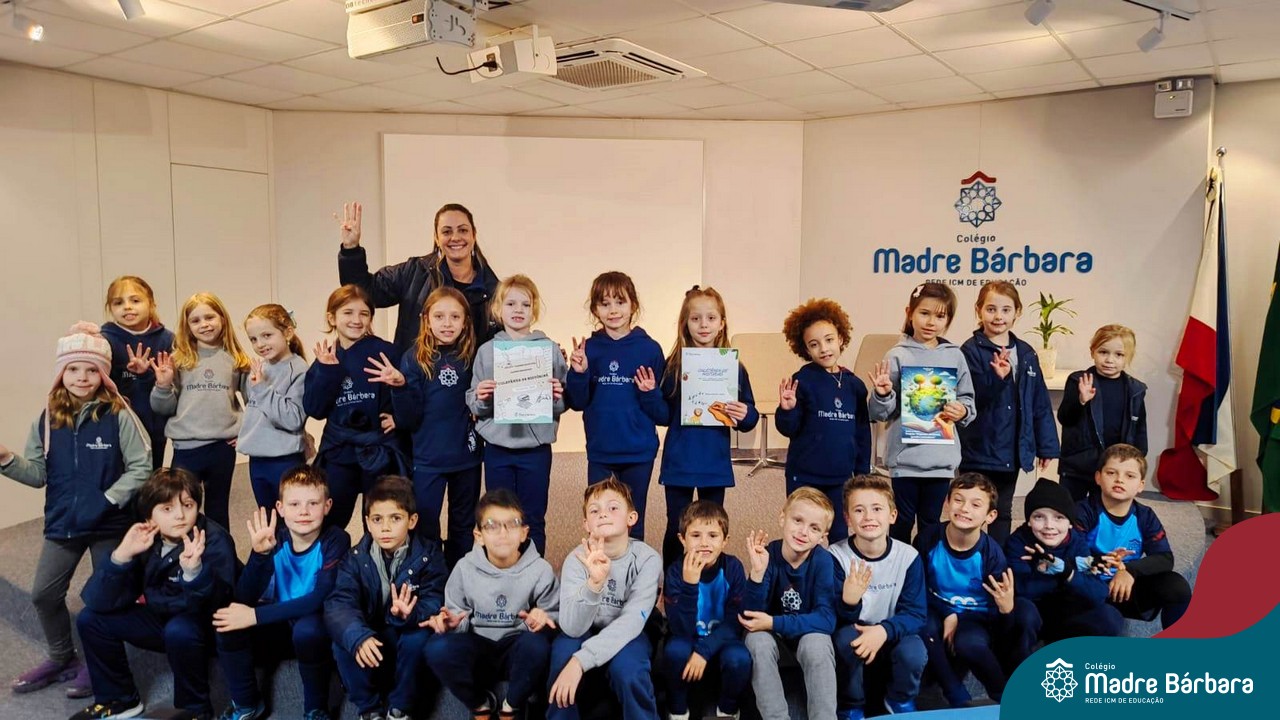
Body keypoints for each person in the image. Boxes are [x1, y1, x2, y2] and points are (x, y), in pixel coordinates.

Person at [1, 324, 150, 699]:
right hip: (63, 522)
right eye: (73, 369)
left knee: (105, 597)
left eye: (90, 370)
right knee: (43, 594)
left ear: (103, 375)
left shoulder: (119, 414)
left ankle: (101, 663)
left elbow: (141, 467)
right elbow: (37, 475)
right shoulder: (47, 419)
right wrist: (5, 460)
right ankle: (61, 656)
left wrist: (107, 500)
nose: (81, 377)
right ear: (61, 373)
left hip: (109, 524)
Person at [71, 468, 237, 720]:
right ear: (149, 515)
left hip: (203, 625)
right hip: (164, 616)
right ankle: (119, 700)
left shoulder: (214, 539)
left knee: (180, 629)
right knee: (90, 619)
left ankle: (193, 711)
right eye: (167, 508)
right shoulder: (146, 537)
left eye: (188, 505)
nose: (180, 515)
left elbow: (215, 603)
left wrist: (193, 573)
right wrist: (121, 556)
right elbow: (99, 600)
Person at [212, 466, 350, 720]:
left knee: (308, 629)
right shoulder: (274, 537)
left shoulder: (336, 540)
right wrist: (259, 555)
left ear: (327, 506)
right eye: (294, 504)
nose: (304, 511)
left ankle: (315, 709)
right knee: (227, 623)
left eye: (313, 503)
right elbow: (244, 598)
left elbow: (318, 599)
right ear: (280, 508)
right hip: (279, 626)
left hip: (314, 630)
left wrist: (255, 616)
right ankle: (246, 704)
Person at [367, 286, 482, 567]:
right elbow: (408, 418)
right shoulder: (413, 358)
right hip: (428, 458)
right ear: (426, 319)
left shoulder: (473, 356)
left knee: (463, 522)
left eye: (455, 317)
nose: (447, 323)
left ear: (465, 321)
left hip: (466, 456)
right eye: (439, 316)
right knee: (426, 522)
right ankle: (431, 576)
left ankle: (459, 576)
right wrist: (400, 387)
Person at [422, 490, 560, 720]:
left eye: (512, 524)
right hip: (478, 645)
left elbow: (553, 615)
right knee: (436, 648)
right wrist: (452, 624)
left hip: (516, 647)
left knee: (536, 646)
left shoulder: (540, 570)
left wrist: (541, 619)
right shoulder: (464, 568)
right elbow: (455, 614)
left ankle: (511, 705)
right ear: (479, 535)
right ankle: (480, 704)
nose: (503, 533)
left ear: (524, 533)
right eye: (492, 525)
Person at [325, 476, 447, 720]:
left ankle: (400, 709)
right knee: (343, 641)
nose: (386, 528)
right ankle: (369, 710)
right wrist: (358, 636)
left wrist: (411, 613)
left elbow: (435, 598)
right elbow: (339, 604)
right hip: (372, 638)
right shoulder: (355, 558)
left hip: (405, 637)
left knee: (418, 638)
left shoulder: (429, 555)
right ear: (367, 523)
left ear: (412, 521)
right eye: (377, 519)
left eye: (396, 518)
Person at [914, 473, 1038, 707]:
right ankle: (954, 692)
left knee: (969, 643)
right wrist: (949, 613)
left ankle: (1003, 693)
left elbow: (998, 616)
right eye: (958, 500)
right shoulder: (928, 539)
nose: (964, 508)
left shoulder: (992, 555)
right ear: (946, 503)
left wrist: (1005, 610)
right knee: (923, 624)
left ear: (990, 516)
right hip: (937, 608)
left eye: (975, 504)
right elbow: (917, 589)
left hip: (977, 616)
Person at [657, 286, 758, 566]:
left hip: (714, 460)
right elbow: (662, 414)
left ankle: (708, 581)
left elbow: (749, 418)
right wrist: (649, 393)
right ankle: (674, 584)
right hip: (680, 459)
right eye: (695, 318)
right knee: (677, 526)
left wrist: (745, 413)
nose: (704, 325)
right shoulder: (674, 366)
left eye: (711, 318)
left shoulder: (734, 367)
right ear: (685, 324)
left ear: (722, 323)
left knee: (711, 527)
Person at [467, 275, 568, 555]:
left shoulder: (549, 350)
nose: (518, 310)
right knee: (498, 515)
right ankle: (500, 570)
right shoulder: (487, 352)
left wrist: (557, 396)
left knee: (532, 517)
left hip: (535, 449)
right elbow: (474, 403)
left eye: (525, 304)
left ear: (534, 309)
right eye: (510, 303)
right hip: (497, 448)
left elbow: (564, 400)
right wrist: (482, 398)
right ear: (498, 309)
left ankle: (534, 574)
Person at [868, 282, 976, 543]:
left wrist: (962, 410)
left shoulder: (955, 356)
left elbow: (969, 401)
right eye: (924, 313)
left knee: (931, 524)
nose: (931, 322)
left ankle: (926, 567)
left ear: (948, 319)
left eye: (940, 316)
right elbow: (880, 413)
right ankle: (900, 565)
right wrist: (883, 394)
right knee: (901, 521)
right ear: (910, 313)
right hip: (905, 462)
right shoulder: (897, 355)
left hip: (940, 462)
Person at [547, 477, 662, 720]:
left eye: (613, 507)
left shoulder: (648, 560)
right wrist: (594, 585)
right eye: (594, 510)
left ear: (631, 518)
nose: (603, 514)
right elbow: (571, 627)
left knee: (629, 670)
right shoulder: (575, 560)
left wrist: (580, 661)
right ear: (586, 524)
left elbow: (632, 621)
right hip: (584, 628)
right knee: (561, 657)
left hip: (631, 631)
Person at [565, 272, 666, 540]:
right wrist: (579, 373)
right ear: (595, 309)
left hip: (638, 451)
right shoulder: (589, 349)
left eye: (620, 302)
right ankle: (603, 567)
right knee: (602, 521)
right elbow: (577, 402)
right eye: (605, 303)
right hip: (601, 452)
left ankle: (635, 567)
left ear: (633, 305)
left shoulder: (650, 350)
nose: (613, 310)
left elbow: (662, 411)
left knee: (633, 520)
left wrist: (650, 392)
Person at [958, 281, 1059, 544]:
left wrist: (1046, 446)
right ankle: (966, 555)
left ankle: (998, 560)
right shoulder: (969, 351)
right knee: (969, 509)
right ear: (979, 310)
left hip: (1010, 451)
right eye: (991, 309)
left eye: (1006, 310)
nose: (998, 316)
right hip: (978, 449)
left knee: (1002, 511)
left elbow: (1039, 402)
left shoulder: (1026, 353)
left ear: (1017, 312)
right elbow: (969, 399)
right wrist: (997, 379)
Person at [304, 285, 407, 531]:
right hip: (339, 450)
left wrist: (398, 416)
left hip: (379, 449)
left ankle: (376, 556)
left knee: (380, 519)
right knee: (330, 517)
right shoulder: (326, 357)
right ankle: (332, 556)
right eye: (348, 313)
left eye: (364, 314)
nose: (356, 320)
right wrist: (326, 371)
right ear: (332, 318)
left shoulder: (386, 352)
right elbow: (315, 409)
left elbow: (407, 393)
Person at [336, 201, 500, 352]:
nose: (455, 237)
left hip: (471, 376)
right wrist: (351, 249)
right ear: (437, 238)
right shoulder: (414, 272)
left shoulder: (495, 292)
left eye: (463, 230)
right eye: (446, 231)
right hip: (412, 374)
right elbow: (365, 291)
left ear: (473, 235)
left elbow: (506, 345)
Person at [150, 292, 251, 534]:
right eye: (195, 320)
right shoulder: (178, 360)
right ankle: (185, 554)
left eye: (209, 317)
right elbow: (162, 408)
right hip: (187, 450)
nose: (204, 324)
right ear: (187, 326)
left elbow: (254, 402)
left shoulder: (236, 359)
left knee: (218, 510)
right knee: (182, 509)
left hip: (222, 448)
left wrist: (244, 429)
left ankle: (221, 554)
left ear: (222, 319)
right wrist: (163, 386)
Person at [828, 475, 927, 719]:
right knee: (845, 641)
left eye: (877, 509)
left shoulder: (908, 557)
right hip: (854, 630)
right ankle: (852, 705)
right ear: (847, 519)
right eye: (859, 510)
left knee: (914, 651)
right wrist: (849, 602)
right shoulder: (835, 556)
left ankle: (900, 701)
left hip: (892, 630)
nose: (868, 517)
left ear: (892, 515)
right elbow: (831, 615)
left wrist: (883, 631)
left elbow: (916, 614)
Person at [775, 297, 870, 542]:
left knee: (839, 534)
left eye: (829, 340)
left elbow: (862, 432)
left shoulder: (855, 386)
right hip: (804, 476)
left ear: (841, 339)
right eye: (814, 344)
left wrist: (862, 473)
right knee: (802, 533)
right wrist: (787, 409)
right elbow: (789, 428)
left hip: (841, 477)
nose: (824, 349)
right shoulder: (802, 380)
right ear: (806, 350)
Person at [740, 488, 837, 720]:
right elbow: (749, 615)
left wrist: (773, 622)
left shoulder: (823, 561)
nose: (803, 532)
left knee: (818, 643)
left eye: (814, 528)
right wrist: (757, 574)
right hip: (773, 639)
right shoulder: (768, 555)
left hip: (805, 636)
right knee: (756, 640)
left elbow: (826, 619)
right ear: (782, 518)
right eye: (797, 521)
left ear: (823, 536)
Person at [1076, 444, 1191, 630]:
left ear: (1140, 485)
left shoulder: (1145, 516)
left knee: (1176, 587)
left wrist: (1129, 570)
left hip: (1125, 587)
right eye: (1111, 473)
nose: (1119, 480)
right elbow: (1071, 554)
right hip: (1088, 586)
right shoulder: (1083, 511)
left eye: (1130, 476)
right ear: (1098, 477)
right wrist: (1103, 562)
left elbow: (1164, 557)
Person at [661, 500, 751, 720]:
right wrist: (690, 585)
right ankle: (678, 710)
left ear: (725, 540)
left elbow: (735, 622)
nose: (704, 543)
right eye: (695, 535)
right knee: (674, 651)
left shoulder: (733, 568)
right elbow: (679, 628)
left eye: (712, 535)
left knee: (739, 658)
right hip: (686, 638)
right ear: (682, 539)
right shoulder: (675, 571)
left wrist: (704, 650)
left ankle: (727, 709)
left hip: (722, 639)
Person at [1006, 478, 1123, 642]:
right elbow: (1022, 589)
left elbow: (1099, 594)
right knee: (1023, 613)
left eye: (1059, 517)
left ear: (1070, 523)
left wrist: (1067, 571)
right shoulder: (1018, 542)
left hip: (1067, 611)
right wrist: (1068, 571)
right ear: (1029, 521)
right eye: (1039, 517)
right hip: (1035, 612)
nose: (1049, 525)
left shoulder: (1077, 542)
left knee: (1110, 618)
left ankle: (1066, 647)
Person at [1058, 325, 1148, 502]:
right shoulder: (1079, 380)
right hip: (1078, 465)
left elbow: (1140, 429)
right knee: (1070, 509)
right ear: (1093, 352)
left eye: (1118, 355)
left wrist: (1137, 461)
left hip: (1114, 467)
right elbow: (1065, 418)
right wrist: (1081, 400)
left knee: (1105, 509)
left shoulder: (1135, 389)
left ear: (1128, 357)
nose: (1109, 360)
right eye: (1103, 352)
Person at [237, 304, 309, 510]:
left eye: (267, 335)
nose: (260, 344)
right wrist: (242, 432)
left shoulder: (299, 370)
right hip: (257, 459)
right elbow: (255, 411)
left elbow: (293, 419)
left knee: (290, 517)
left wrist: (262, 388)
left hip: (284, 460)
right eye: (253, 339)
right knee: (268, 517)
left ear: (288, 333)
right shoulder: (261, 368)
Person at [100, 275, 174, 469]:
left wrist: (147, 375)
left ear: (151, 304)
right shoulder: (104, 340)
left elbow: (174, 387)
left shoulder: (167, 340)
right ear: (110, 308)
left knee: (151, 480)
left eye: (135, 300)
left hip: (155, 428)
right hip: (118, 428)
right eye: (118, 303)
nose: (127, 307)